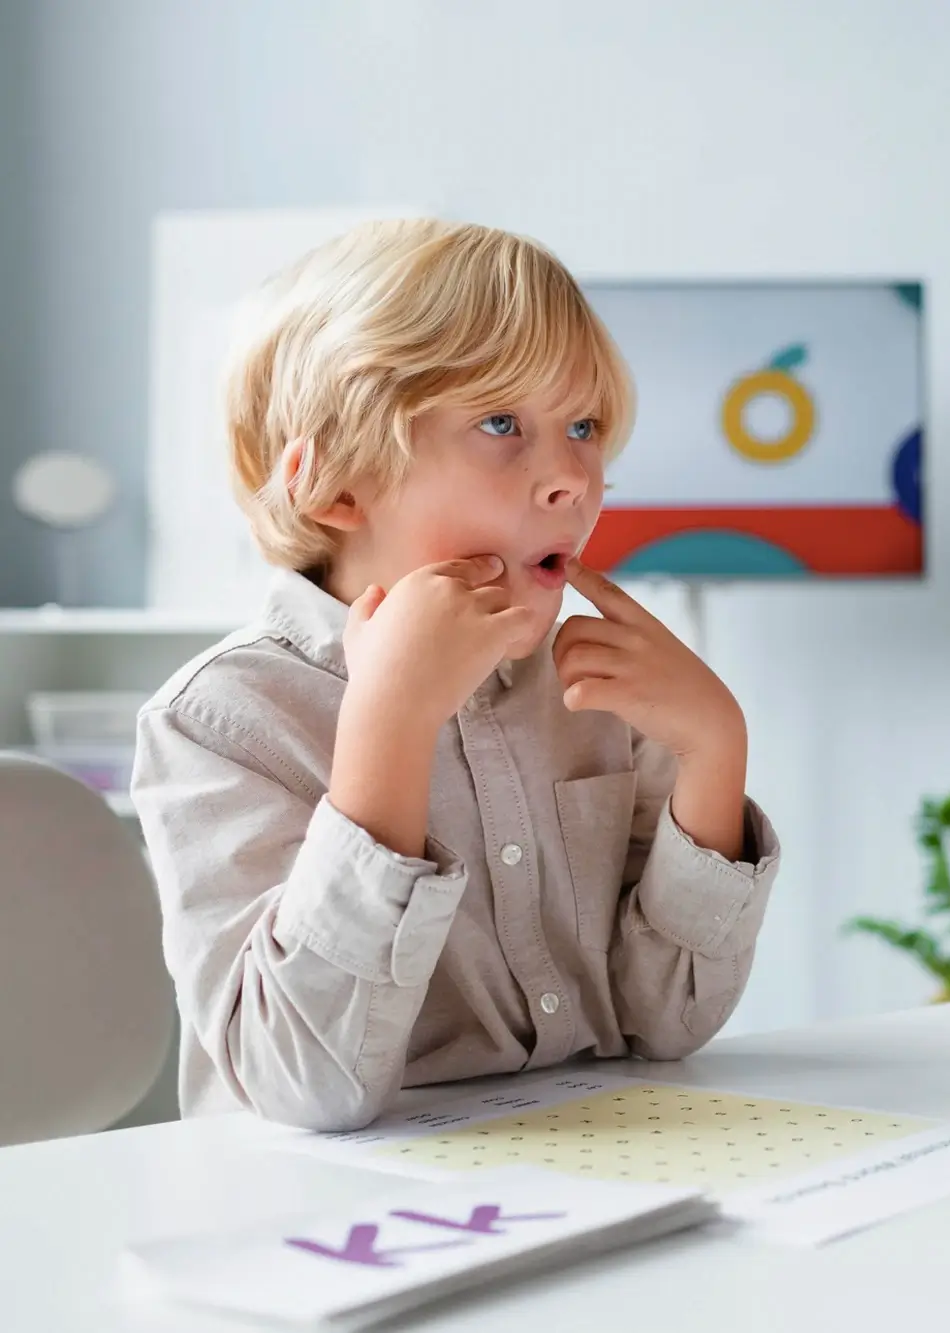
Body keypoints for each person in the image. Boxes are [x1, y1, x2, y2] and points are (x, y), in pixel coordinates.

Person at [131, 219, 779, 1131]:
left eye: (584, 426)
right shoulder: (220, 720)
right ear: (337, 484)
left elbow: (667, 1023)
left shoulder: (596, 690)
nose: (571, 478)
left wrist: (715, 751)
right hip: (321, 1202)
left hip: (582, 1163)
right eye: (500, 422)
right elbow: (302, 1083)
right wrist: (390, 726)